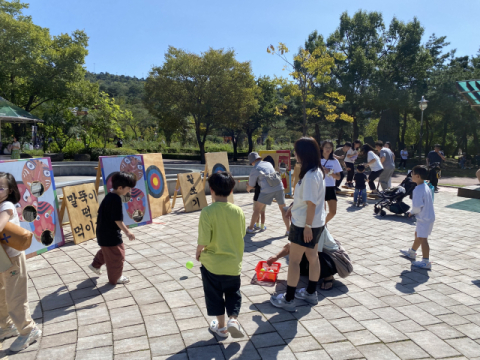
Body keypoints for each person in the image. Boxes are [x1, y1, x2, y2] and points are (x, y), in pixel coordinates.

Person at [270, 137, 325, 311]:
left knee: (294, 261)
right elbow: (308, 199)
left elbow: (311, 203)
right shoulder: (316, 171)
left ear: (303, 153)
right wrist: (293, 206)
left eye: (296, 150)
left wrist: (307, 226)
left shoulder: (309, 176)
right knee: (312, 257)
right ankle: (310, 293)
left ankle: (289, 299)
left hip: (304, 224)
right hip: (315, 222)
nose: (294, 154)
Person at [197, 172, 246, 338]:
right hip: (233, 264)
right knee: (233, 293)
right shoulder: (238, 211)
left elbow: (203, 240)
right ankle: (233, 319)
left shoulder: (207, 212)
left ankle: (222, 327)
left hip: (212, 265)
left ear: (211, 189)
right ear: (232, 190)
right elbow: (242, 233)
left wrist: (198, 253)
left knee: (215, 295)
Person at [0, 172, 42, 352]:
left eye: (1, 188)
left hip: (13, 258)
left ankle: (28, 330)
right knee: (1, 293)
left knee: (14, 296)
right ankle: (7, 325)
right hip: (2, 257)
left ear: (9, 191)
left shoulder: (7, 205)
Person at [88, 172, 136, 285]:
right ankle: (116, 278)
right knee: (117, 255)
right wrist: (127, 232)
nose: (129, 191)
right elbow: (117, 220)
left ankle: (95, 265)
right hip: (110, 234)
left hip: (102, 232)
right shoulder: (116, 200)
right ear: (120, 188)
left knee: (107, 251)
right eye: (128, 188)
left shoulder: (109, 196)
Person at [400, 165, 435, 269]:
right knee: (418, 234)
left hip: (424, 218)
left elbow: (417, 207)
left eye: (412, 174)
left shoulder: (418, 190)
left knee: (423, 238)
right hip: (428, 216)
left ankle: (426, 262)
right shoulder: (425, 186)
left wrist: (411, 212)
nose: (411, 175)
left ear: (418, 176)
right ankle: (412, 252)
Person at [246, 152, 289, 235]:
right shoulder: (268, 163)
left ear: (252, 161)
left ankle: (250, 228)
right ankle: (288, 230)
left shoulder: (255, 169)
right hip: (279, 187)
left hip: (266, 190)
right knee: (283, 209)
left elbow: (251, 185)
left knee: (257, 210)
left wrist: (248, 188)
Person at [321, 140, 343, 224]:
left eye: (330, 147)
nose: (328, 149)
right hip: (319, 186)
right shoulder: (317, 160)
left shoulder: (334, 161)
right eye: (326, 147)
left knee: (333, 211)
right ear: (322, 148)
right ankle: (321, 228)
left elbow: (338, 177)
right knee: (322, 211)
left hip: (330, 187)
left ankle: (323, 224)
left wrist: (330, 172)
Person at [252, 157, 275, 231]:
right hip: (264, 196)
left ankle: (257, 225)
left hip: (256, 197)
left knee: (256, 211)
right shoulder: (266, 178)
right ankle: (262, 226)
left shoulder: (257, 175)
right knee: (262, 212)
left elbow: (253, 185)